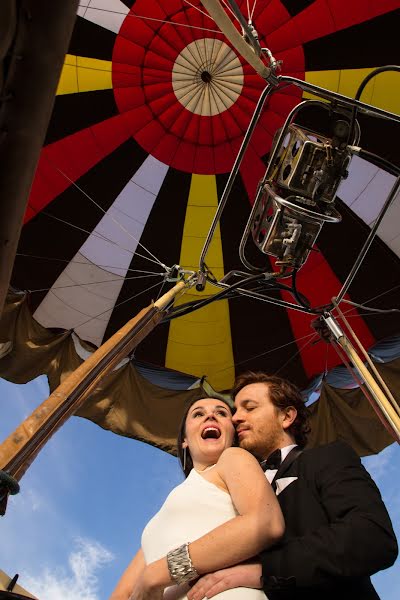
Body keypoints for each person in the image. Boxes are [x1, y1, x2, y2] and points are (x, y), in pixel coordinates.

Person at [187, 372, 398, 600]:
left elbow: (371, 538)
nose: (235, 418)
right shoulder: (229, 489)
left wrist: (265, 571)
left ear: (286, 416)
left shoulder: (326, 458)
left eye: (249, 408)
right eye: (236, 410)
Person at [109, 396, 285, 600]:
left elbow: (265, 522)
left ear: (232, 433)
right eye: (198, 414)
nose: (211, 415)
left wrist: (160, 573)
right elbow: (122, 593)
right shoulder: (158, 523)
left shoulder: (232, 458)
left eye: (222, 413)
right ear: (184, 439)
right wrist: (151, 575)